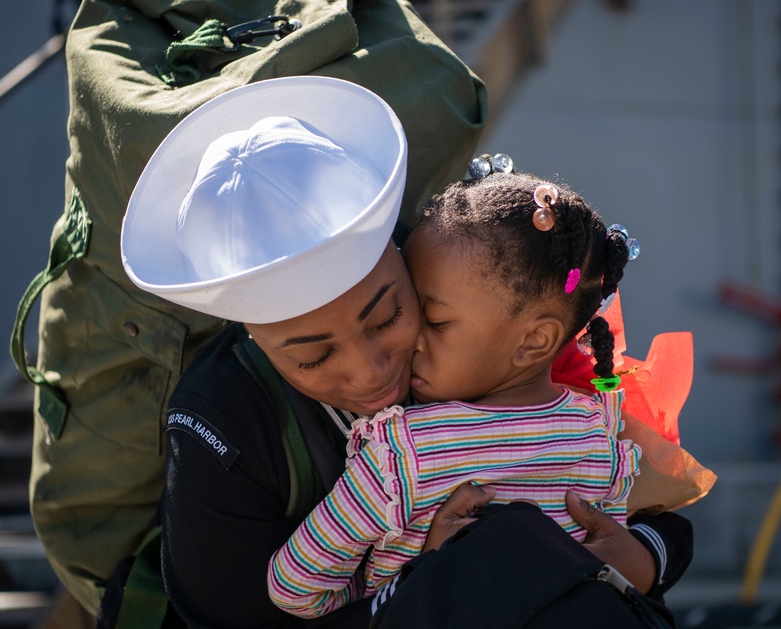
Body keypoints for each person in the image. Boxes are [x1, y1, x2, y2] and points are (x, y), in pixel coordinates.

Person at [121, 75, 691, 628]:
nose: (372, 371)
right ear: (253, 337)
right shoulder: (218, 419)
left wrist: (641, 556)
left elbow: (653, 517)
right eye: (313, 358)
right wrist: (431, 583)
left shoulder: (477, 294)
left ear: (402, 253)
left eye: (392, 315)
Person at [267, 163, 644, 618]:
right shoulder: (600, 438)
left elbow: (293, 587)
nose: (413, 340)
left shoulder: (405, 456)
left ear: (534, 341)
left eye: (436, 321)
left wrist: (407, 580)